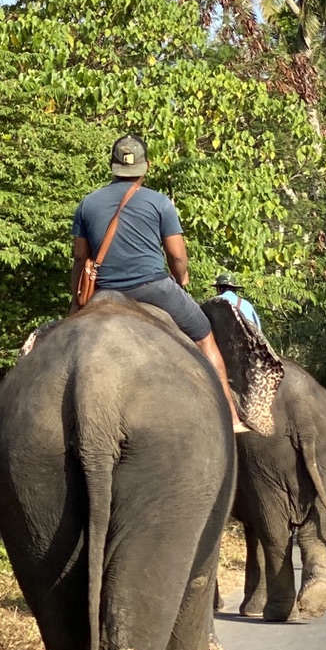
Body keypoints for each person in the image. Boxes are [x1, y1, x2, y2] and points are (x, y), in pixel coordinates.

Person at [71, 135, 247, 433]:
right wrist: (181, 278)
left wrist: (77, 303)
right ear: (146, 167)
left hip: (103, 292)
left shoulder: (87, 204)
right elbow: (177, 255)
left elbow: (79, 259)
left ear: (112, 166)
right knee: (205, 335)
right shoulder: (160, 202)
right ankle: (230, 416)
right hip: (153, 287)